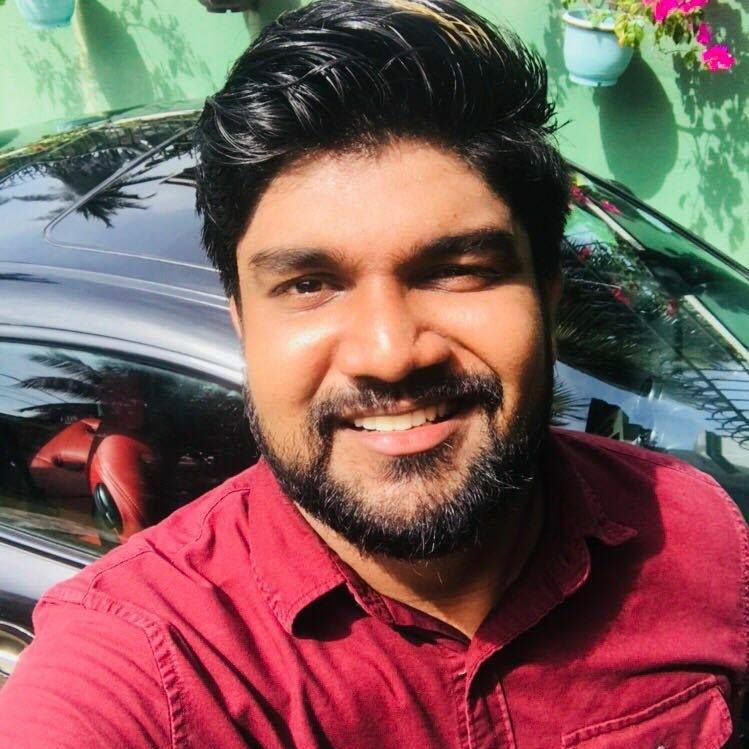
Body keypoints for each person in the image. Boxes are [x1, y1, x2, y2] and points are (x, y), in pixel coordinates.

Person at [0, 0, 746, 747]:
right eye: (308, 284)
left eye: (458, 270)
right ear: (242, 321)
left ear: (549, 294)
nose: (390, 353)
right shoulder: (143, 661)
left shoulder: (695, 533)